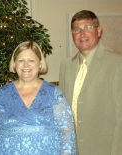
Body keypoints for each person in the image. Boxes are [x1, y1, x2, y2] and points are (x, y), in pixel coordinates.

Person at [0, 41, 76, 155]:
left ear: (40, 64)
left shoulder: (54, 94)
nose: (26, 65)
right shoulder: (2, 94)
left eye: (31, 60)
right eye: (21, 60)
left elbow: (67, 134)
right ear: (14, 64)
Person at [59, 10, 122, 155]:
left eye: (88, 28)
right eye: (77, 29)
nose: (82, 34)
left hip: (102, 149)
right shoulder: (66, 65)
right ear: (72, 34)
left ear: (99, 31)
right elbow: (62, 110)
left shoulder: (117, 63)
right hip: (71, 149)